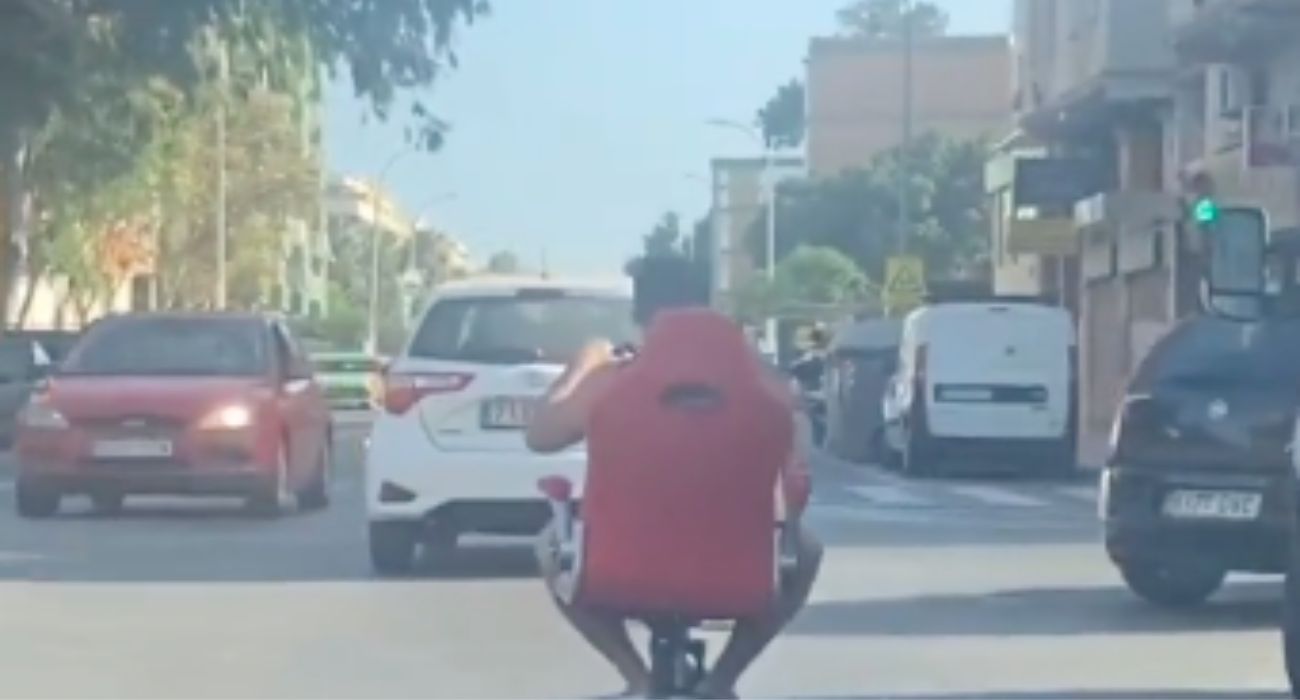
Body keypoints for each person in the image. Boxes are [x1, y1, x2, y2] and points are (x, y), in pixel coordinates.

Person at [525, 254, 823, 699]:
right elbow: (796, 437)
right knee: (807, 551)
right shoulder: (759, 388)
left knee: (550, 546)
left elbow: (540, 436)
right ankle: (722, 681)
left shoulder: (610, 383)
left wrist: (583, 363)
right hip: (739, 570)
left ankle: (637, 678)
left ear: (641, 316)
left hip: (618, 567)